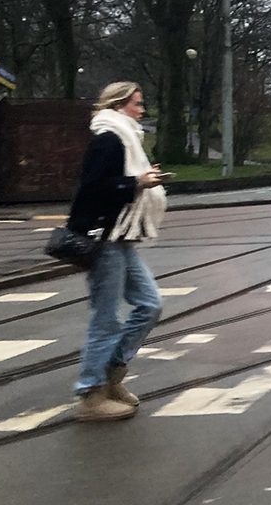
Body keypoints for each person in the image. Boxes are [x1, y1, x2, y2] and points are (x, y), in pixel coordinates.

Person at [67, 82, 168, 421]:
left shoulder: (127, 140)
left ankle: (111, 376)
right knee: (106, 318)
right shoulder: (109, 139)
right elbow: (91, 189)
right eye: (138, 104)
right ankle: (91, 394)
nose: (142, 110)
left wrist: (141, 180)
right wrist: (137, 182)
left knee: (150, 304)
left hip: (121, 238)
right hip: (104, 239)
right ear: (121, 105)